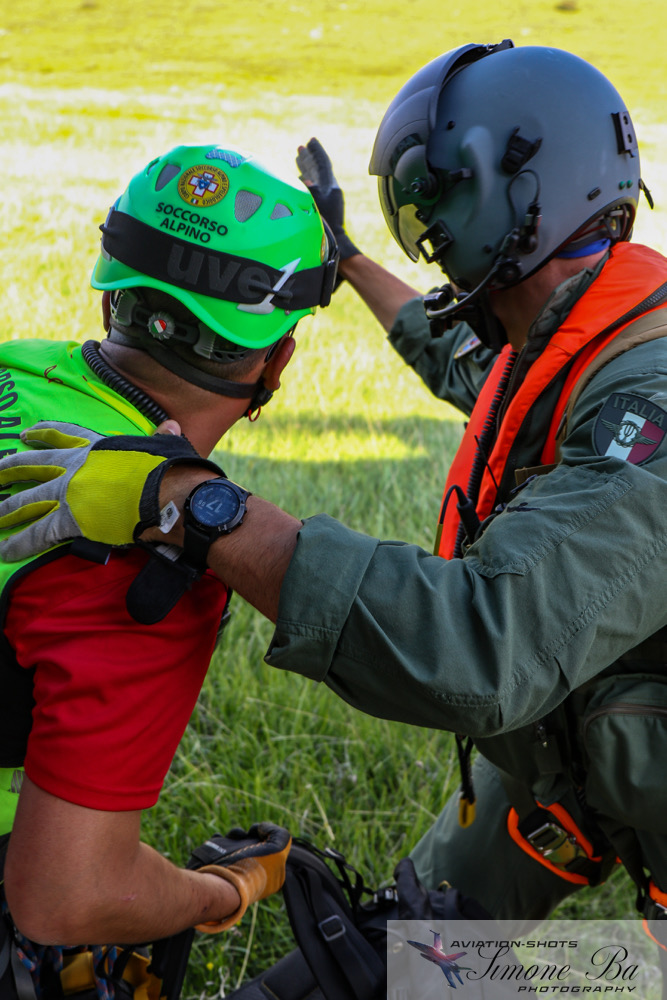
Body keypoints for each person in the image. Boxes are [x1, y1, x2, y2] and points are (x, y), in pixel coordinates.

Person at [3, 42, 667, 939]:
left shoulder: (646, 397)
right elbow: (458, 359)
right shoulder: (579, 338)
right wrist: (344, 257)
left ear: (499, 190)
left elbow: (483, 645)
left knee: (595, 976)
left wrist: (198, 507)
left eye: (428, 198)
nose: (425, 229)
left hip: (611, 734)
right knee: (392, 956)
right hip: (581, 744)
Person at [0, 142, 337, 995]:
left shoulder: (17, 375)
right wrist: (218, 892)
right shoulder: (142, 559)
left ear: (110, 286)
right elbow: (66, 898)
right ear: (279, 359)